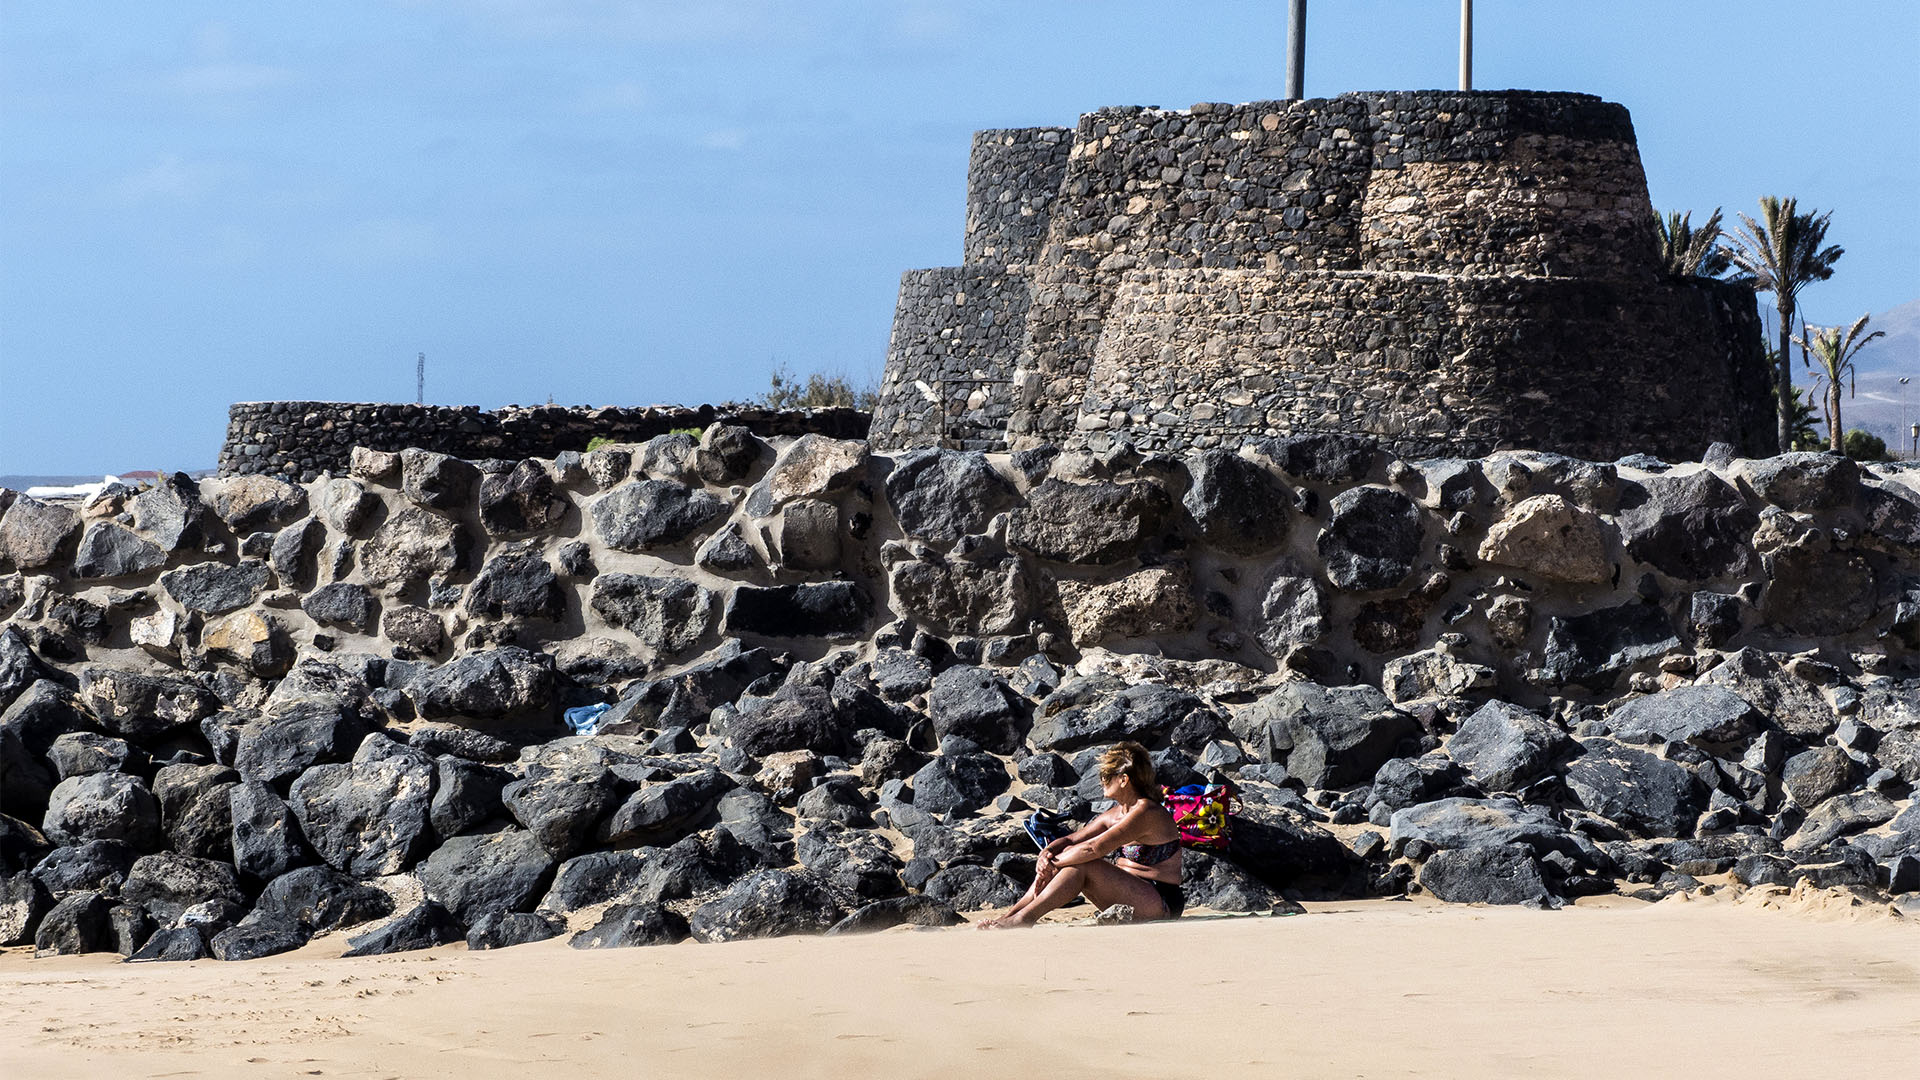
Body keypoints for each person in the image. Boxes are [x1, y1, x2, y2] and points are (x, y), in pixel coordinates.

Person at [978, 741, 1184, 928]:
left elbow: (1094, 848)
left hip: (1161, 901)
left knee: (1083, 861)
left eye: (1106, 775)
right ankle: (1011, 915)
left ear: (1123, 779)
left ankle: (1023, 919)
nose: (1101, 780)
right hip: (1128, 893)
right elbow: (1071, 839)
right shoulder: (1114, 814)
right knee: (1070, 853)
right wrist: (1047, 853)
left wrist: (1053, 864)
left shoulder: (1146, 811)